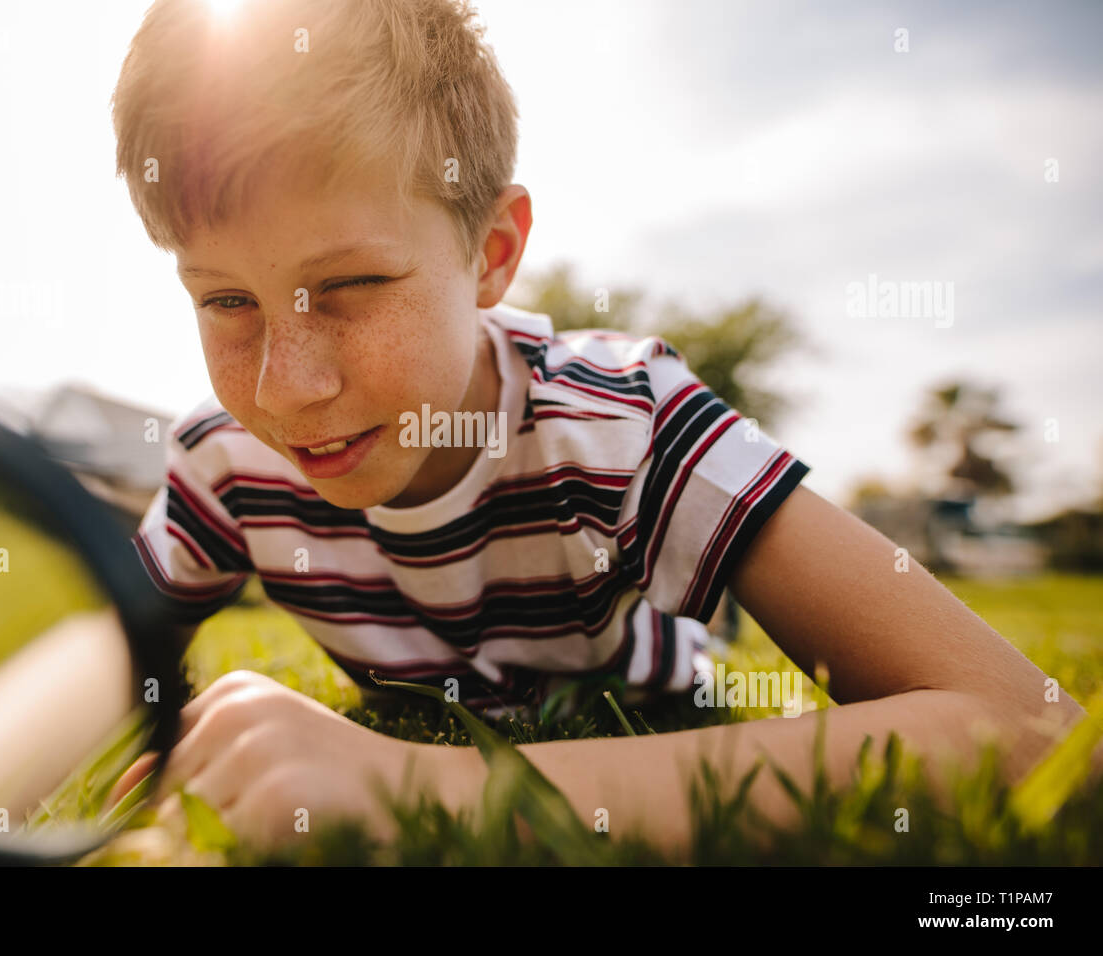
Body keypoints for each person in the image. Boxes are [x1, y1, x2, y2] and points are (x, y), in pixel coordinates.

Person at [109, 0, 1093, 854]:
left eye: (354, 285)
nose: (286, 389)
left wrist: (436, 791)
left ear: (492, 252)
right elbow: (87, 670)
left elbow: (1029, 730)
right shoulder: (221, 462)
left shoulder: (620, 421)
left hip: (657, 687)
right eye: (227, 300)